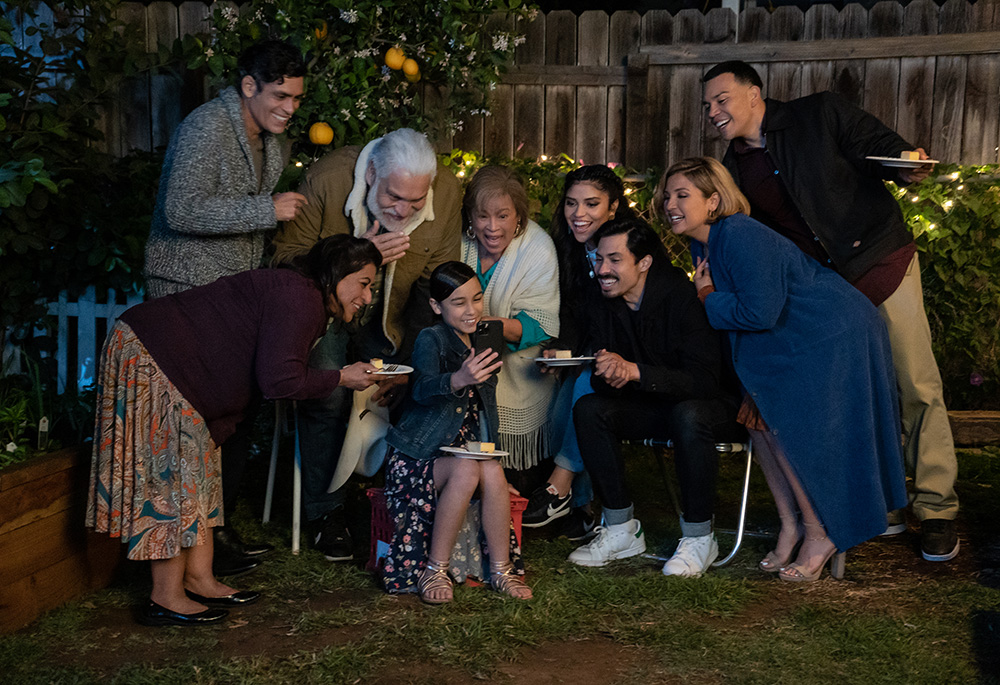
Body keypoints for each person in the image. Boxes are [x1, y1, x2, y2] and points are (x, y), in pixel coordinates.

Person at [702, 60, 959, 562]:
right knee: (855, 394)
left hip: (880, 259)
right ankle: (881, 504)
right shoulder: (732, 172)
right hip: (829, 293)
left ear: (755, 94)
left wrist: (907, 163)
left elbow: (881, 148)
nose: (712, 112)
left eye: (721, 99)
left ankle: (937, 509)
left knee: (914, 382)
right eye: (707, 105)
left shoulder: (819, 114)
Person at [86, 235, 383, 625]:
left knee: (200, 472)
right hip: (155, 355)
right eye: (363, 283)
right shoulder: (300, 297)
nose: (366, 296)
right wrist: (341, 378)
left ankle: (200, 577)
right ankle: (165, 596)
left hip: (181, 370)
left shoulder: (301, 295)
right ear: (336, 273)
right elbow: (280, 381)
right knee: (171, 477)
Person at [659, 156, 908, 581]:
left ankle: (820, 533)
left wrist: (706, 297)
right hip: (795, 337)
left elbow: (759, 312)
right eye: (667, 195)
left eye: (682, 195)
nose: (670, 204)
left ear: (714, 200)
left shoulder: (737, 233)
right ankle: (791, 526)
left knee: (785, 428)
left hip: (829, 332)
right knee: (756, 423)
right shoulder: (705, 242)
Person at [143, 39, 308, 574]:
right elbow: (180, 210)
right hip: (186, 293)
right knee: (190, 422)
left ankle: (214, 531)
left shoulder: (275, 144)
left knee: (233, 414)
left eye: (297, 99)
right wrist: (267, 209)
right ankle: (180, 541)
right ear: (247, 87)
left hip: (233, 296)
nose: (289, 108)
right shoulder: (206, 127)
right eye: (279, 96)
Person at [271, 129, 462, 562]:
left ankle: (397, 503)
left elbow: (433, 288)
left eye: (417, 202)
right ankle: (326, 514)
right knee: (328, 390)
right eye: (395, 197)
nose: (404, 209)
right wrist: (357, 256)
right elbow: (284, 261)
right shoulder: (327, 179)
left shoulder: (447, 190)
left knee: (421, 384)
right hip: (325, 313)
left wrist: (413, 363)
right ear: (372, 173)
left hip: (396, 317)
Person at [566, 217, 733, 577]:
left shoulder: (682, 299)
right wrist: (608, 370)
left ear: (643, 263)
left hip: (713, 408)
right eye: (598, 260)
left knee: (689, 415)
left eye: (614, 260)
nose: (603, 270)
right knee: (589, 408)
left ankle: (700, 537)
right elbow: (606, 381)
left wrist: (635, 371)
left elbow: (705, 381)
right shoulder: (603, 301)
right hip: (656, 405)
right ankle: (621, 528)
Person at [381, 261, 532, 603]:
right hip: (418, 455)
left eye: (477, 299)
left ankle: (502, 570)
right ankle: (434, 569)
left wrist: (492, 454)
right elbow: (419, 389)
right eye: (459, 302)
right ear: (437, 306)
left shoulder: (485, 340)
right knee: (467, 469)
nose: (471, 310)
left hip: (464, 451)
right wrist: (457, 379)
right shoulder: (430, 338)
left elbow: (484, 409)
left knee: (490, 467)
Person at [522, 165, 632, 539]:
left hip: (631, 355)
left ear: (614, 207)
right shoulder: (568, 248)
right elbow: (569, 311)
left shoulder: (629, 246)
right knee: (560, 387)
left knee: (585, 384)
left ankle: (559, 488)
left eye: (591, 204)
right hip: (590, 352)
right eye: (571, 203)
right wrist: (561, 348)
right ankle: (578, 509)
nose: (578, 213)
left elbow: (627, 315)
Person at [459, 166, 560, 476]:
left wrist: (490, 325)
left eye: (502, 216)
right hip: (457, 367)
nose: (492, 227)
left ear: (519, 216)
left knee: (516, 478)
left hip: (518, 371)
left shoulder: (538, 248)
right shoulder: (456, 242)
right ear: (470, 217)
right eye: (482, 216)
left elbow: (542, 323)